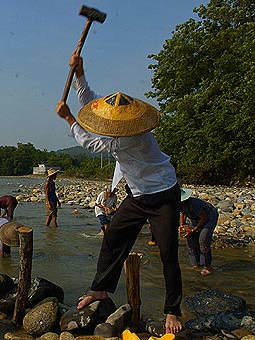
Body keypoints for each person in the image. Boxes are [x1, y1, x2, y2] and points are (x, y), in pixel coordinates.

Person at [55, 51, 183, 334]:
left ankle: (173, 309)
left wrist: (69, 120)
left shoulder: (132, 137)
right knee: (113, 236)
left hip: (162, 194)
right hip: (137, 195)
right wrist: (80, 74)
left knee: (167, 251)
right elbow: (93, 104)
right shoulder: (120, 127)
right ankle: (100, 289)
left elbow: (94, 145)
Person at [180, 188, 218, 276]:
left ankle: (207, 266)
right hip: (196, 218)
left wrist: (193, 230)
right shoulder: (178, 204)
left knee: (203, 240)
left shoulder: (194, 204)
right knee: (190, 240)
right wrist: (182, 224)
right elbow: (183, 213)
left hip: (209, 217)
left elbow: (204, 218)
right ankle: (195, 265)